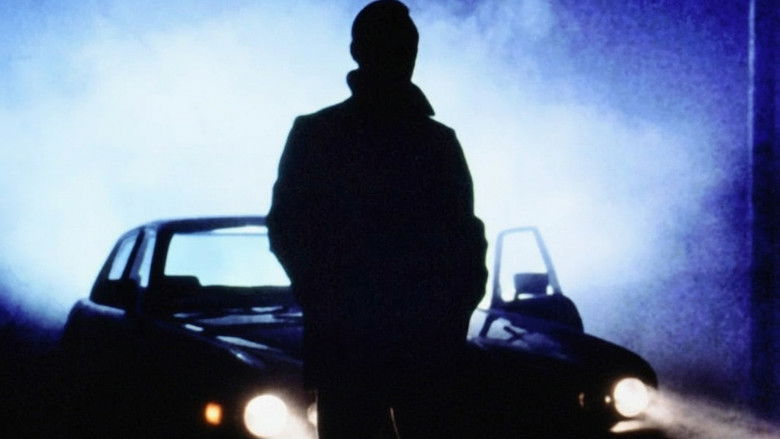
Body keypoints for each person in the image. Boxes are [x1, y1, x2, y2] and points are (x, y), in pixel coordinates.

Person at [266, 1, 487, 437]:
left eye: (405, 47)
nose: (403, 56)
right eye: (397, 47)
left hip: (355, 344)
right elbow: (465, 240)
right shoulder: (436, 143)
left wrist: (326, 301)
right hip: (419, 345)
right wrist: (450, 314)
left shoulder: (318, 134)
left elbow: (288, 229)